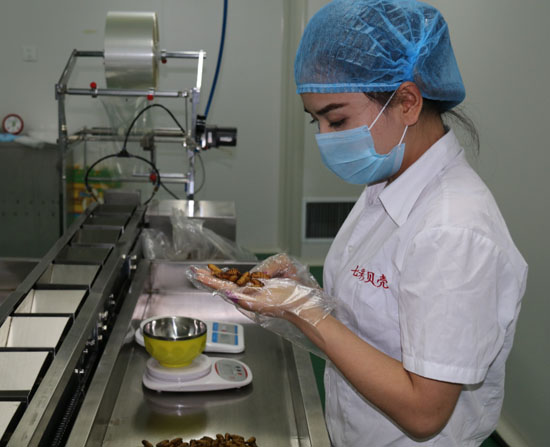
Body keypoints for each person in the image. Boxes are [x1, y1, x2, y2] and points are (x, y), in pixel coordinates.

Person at [191, 0, 528, 445]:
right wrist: (305, 291)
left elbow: (425, 411)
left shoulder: (454, 229)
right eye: (316, 121)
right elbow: (378, 321)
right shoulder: (387, 180)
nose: (324, 138)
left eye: (337, 119)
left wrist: (302, 311)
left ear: (407, 102)